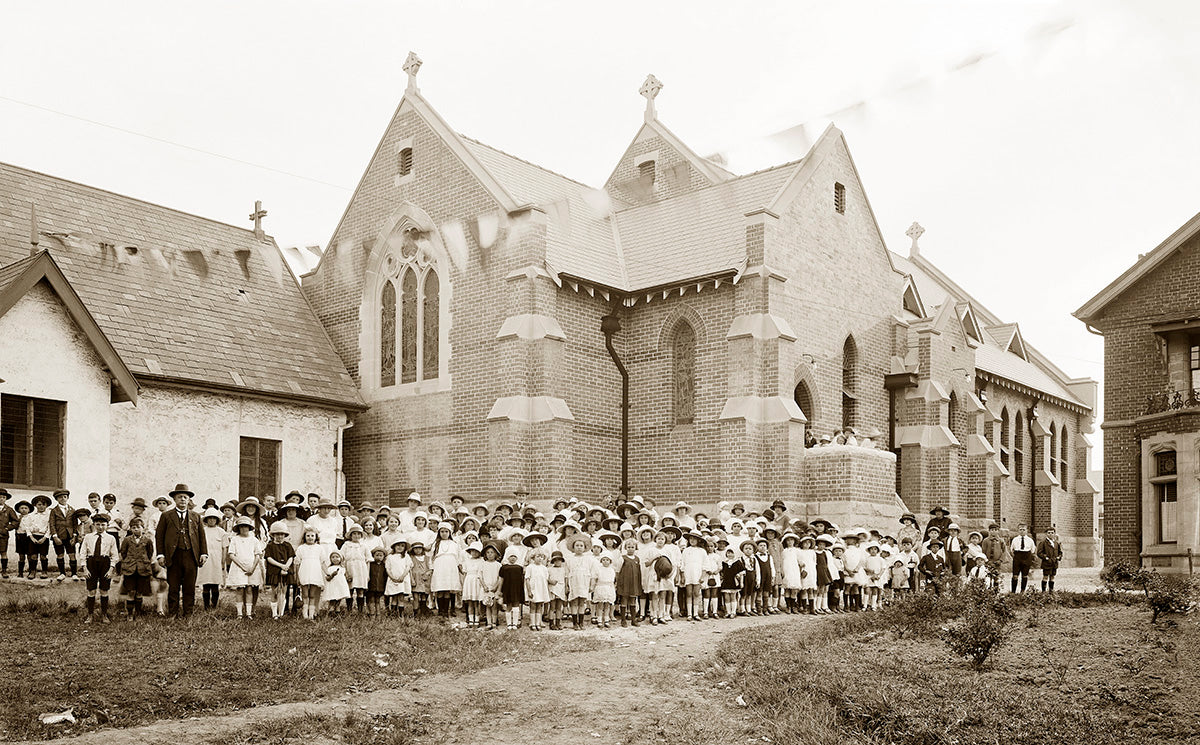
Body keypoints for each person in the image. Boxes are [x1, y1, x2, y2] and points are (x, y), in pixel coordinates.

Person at [155, 484, 209, 618]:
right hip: (173, 555)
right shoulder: (166, 516)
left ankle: (188, 613)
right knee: (173, 586)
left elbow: (202, 536)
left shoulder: (196, 517)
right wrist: (161, 555)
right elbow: (159, 536)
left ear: (189, 500)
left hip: (191, 555)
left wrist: (203, 553)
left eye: (185, 497)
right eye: (180, 497)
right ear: (174, 499)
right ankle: (173, 613)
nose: (183, 500)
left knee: (189, 586)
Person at [78, 512, 119, 623]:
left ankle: (104, 615)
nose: (100, 527)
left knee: (104, 590)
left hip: (105, 563)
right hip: (91, 563)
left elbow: (115, 555)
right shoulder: (88, 537)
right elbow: (82, 553)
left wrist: (111, 569)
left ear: (107, 525)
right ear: (94, 525)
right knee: (91, 590)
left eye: (103, 525)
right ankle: (90, 615)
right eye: (98, 524)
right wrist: (85, 568)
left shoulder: (111, 538)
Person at [117, 517, 155, 618]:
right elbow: (123, 552)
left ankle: (138, 612)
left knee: (139, 592)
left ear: (143, 528)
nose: (136, 529)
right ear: (131, 529)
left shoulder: (147, 540)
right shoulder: (127, 540)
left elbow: (150, 553)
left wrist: (144, 561)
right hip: (130, 569)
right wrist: (129, 561)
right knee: (131, 591)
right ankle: (129, 613)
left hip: (143, 569)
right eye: (133, 527)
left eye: (138, 527)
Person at [227, 517, 263, 619]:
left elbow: (257, 555)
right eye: (241, 527)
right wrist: (242, 567)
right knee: (239, 589)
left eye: (246, 527)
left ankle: (249, 613)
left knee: (249, 589)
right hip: (239, 567)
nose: (244, 529)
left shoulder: (254, 540)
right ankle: (239, 613)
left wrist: (252, 568)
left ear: (249, 528)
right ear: (238, 528)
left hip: (252, 568)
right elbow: (231, 555)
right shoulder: (235, 539)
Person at [264, 522, 296, 619]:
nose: (280, 536)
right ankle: (274, 613)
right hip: (274, 570)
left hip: (286, 569)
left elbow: (291, 557)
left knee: (283, 591)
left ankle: (281, 612)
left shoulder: (287, 545)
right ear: (273, 535)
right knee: (275, 591)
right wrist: (281, 566)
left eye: (282, 534)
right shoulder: (270, 546)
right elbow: (269, 558)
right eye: (277, 534)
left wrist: (286, 566)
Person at [198, 508, 228, 611]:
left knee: (215, 584)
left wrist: (223, 562)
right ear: (206, 520)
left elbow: (224, 548)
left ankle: (214, 606)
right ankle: (206, 606)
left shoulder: (221, 532)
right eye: (209, 518)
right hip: (205, 561)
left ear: (217, 520)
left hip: (217, 560)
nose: (211, 520)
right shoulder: (202, 531)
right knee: (206, 583)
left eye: (214, 518)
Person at [294, 528, 325, 620]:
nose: (310, 538)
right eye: (308, 536)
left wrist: (327, 573)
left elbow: (322, 562)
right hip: (304, 572)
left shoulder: (319, 548)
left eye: (312, 536)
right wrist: (297, 577)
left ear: (316, 537)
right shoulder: (301, 548)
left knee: (312, 595)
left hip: (315, 573)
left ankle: (311, 614)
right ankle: (305, 614)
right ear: (304, 537)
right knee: (305, 595)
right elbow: (297, 563)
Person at [49, 489, 77, 581]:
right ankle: (62, 573)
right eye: (60, 497)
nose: (63, 499)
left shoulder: (72, 510)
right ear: (57, 499)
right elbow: (52, 524)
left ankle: (74, 573)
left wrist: (74, 536)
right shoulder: (54, 511)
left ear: (67, 498)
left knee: (72, 554)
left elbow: (75, 524)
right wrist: (55, 536)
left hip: (70, 536)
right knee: (60, 555)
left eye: (65, 497)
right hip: (59, 536)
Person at [342, 523, 369, 613]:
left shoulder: (364, 545)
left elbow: (368, 560)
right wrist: (345, 572)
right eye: (354, 534)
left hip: (361, 569)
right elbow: (342, 558)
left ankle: (360, 610)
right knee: (350, 589)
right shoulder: (346, 545)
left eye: (358, 534)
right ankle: (349, 609)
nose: (356, 536)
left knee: (360, 590)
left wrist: (367, 574)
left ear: (361, 535)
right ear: (351, 535)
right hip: (349, 568)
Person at [615, 539, 643, 627]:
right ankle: (623, 620)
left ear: (635, 548)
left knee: (633, 600)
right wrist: (618, 582)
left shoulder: (637, 559)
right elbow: (618, 571)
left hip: (634, 583)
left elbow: (638, 572)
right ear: (626, 548)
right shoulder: (622, 558)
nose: (631, 549)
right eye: (629, 547)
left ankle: (633, 620)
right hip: (624, 583)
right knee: (624, 600)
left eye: (632, 547)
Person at [25, 494, 52, 579]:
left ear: (46, 506)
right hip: (33, 537)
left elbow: (50, 528)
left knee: (43, 555)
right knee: (33, 555)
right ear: (35, 505)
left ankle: (44, 571)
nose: (41, 507)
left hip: (44, 537)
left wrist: (44, 538)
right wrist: (31, 537)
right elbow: (27, 527)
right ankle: (33, 571)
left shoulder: (49, 516)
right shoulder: (31, 516)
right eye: (39, 504)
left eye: (43, 505)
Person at [499, 549, 525, 630]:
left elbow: (522, 579)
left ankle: (515, 623)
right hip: (507, 589)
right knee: (508, 606)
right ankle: (509, 623)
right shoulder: (504, 567)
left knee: (516, 606)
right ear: (508, 557)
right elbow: (501, 579)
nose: (513, 558)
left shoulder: (520, 568)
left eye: (514, 556)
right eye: (511, 556)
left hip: (517, 589)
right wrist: (499, 590)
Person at [384, 540, 412, 617]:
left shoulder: (406, 556)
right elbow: (388, 568)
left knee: (401, 597)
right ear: (394, 546)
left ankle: (401, 614)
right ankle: (393, 614)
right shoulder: (390, 557)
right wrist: (392, 577)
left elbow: (408, 567)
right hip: (393, 579)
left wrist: (402, 576)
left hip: (403, 579)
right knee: (394, 597)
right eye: (398, 545)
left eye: (402, 546)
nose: (400, 547)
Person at [460, 542, 486, 627]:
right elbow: (464, 573)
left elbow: (482, 574)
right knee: (470, 602)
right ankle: (471, 620)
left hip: (477, 581)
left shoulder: (482, 561)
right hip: (469, 581)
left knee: (476, 602)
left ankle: (477, 619)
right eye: (472, 551)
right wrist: (463, 585)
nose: (474, 553)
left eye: (476, 551)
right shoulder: (467, 561)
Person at [322, 550, 351, 615]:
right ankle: (331, 612)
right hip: (333, 586)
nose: (335, 559)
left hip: (340, 586)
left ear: (341, 559)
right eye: (333, 557)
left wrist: (348, 578)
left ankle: (338, 612)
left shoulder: (342, 568)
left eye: (337, 557)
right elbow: (327, 578)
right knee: (332, 600)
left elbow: (345, 576)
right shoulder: (329, 568)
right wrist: (332, 575)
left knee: (339, 599)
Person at [1009, 523, 1036, 593]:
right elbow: (1011, 550)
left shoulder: (1030, 540)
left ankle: (1022, 591)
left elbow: (1032, 550)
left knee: (1024, 576)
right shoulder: (1015, 539)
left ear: (1027, 530)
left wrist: (1029, 557)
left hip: (1027, 557)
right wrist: (1016, 557)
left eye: (1024, 529)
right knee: (1015, 576)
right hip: (1017, 557)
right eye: (1020, 529)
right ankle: (1013, 591)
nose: (1022, 531)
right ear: (1018, 530)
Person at [1036, 526, 1063, 593]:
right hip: (1047, 563)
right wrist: (1046, 557)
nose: (1050, 534)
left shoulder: (1056, 543)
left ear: (1054, 534)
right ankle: (1044, 591)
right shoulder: (1043, 543)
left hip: (1054, 562)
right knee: (1045, 576)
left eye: (1052, 533)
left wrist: (1059, 557)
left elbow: (1060, 552)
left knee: (1052, 577)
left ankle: (1051, 591)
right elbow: (1039, 553)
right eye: (1049, 533)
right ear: (1046, 534)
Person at [593, 554, 616, 628]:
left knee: (607, 605)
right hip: (600, 587)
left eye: (607, 560)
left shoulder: (611, 570)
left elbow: (612, 580)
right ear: (601, 561)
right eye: (603, 560)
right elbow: (595, 578)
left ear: (610, 561)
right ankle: (599, 619)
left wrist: (612, 588)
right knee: (600, 605)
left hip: (609, 588)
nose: (605, 562)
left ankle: (606, 619)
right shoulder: (598, 569)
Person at [546, 550, 566, 630]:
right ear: (553, 561)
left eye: (559, 560)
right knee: (552, 607)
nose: (558, 561)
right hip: (553, 588)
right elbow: (546, 578)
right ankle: (551, 623)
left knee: (559, 607)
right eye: (556, 560)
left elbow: (565, 579)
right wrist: (550, 581)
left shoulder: (564, 569)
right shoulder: (549, 569)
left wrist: (566, 587)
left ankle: (558, 623)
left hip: (561, 588)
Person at [366, 546, 388, 616]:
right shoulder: (371, 565)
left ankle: (378, 613)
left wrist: (384, 586)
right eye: (377, 555)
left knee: (377, 600)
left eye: (381, 555)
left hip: (380, 586)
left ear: (383, 556)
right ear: (373, 556)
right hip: (371, 586)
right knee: (371, 600)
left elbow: (385, 577)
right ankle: (372, 613)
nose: (379, 557)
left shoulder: (384, 566)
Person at [0, 489, 17, 578]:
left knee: (3, 552)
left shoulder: (9, 510)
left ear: (6, 499)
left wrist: (7, 528)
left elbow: (15, 521)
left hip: (3, 535)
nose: (1, 499)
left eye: (3, 497)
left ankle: (4, 570)